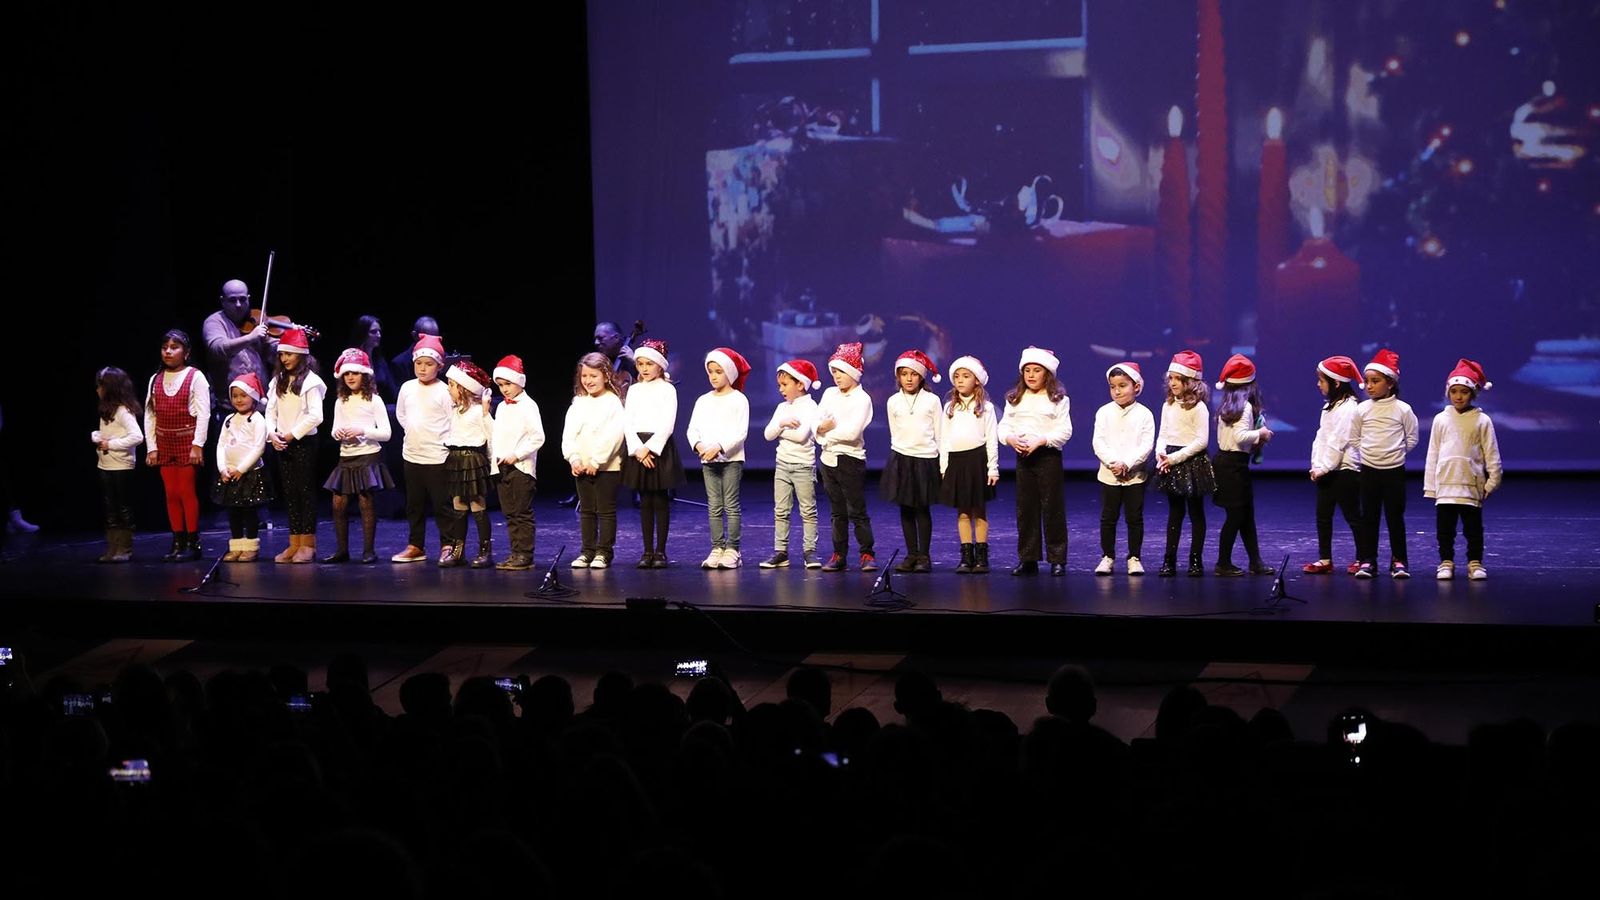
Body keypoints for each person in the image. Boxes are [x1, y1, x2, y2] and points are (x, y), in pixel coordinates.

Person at [1424, 358, 1502, 581]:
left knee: (1473, 529)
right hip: (1446, 486)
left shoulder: (1482, 420)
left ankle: (1474, 562)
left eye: (1464, 392)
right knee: (1445, 529)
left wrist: (1492, 481)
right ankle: (1446, 561)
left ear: (1473, 393)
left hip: (1470, 485)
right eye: (1454, 391)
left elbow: (1491, 453)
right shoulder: (1441, 419)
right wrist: (1431, 487)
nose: (1458, 396)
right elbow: (1433, 454)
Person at [998, 347, 1072, 577]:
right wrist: (1009, 439)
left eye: (1036, 370)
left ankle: (1057, 558)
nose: (1031, 375)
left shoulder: (1058, 399)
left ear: (1046, 373)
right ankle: (1028, 558)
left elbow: (1065, 430)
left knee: (1052, 508)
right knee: (1026, 509)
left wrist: (1042, 440)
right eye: (1027, 370)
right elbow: (1004, 426)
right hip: (1023, 458)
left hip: (1047, 457)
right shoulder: (1015, 399)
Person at [1351, 348, 1419, 579]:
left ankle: (1399, 559)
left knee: (1394, 517)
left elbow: (1411, 437)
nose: (1369, 386)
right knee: (1369, 517)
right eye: (1367, 381)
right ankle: (1368, 560)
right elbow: (1354, 437)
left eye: (1375, 381)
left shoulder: (1403, 409)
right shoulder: (1362, 409)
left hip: (1394, 471)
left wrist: (1395, 453)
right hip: (1369, 471)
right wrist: (1369, 453)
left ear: (1390, 383)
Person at [321, 348, 394, 564]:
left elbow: (386, 433)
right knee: (338, 504)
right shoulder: (340, 401)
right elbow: (334, 430)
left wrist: (362, 431)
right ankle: (342, 550)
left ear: (365, 375)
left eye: (355, 372)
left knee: (365, 502)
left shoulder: (374, 400)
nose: (351, 377)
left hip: (367, 456)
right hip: (346, 457)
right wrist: (339, 434)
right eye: (347, 373)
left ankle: (368, 551)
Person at [145, 328, 211, 562]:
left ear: (186, 352)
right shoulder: (156, 378)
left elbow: (204, 413)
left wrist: (198, 445)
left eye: (174, 347)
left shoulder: (195, 376)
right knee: (170, 494)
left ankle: (193, 542)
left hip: (186, 441)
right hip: (164, 442)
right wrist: (151, 447)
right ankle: (177, 540)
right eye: (165, 348)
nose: (168, 352)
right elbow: (150, 415)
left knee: (186, 492)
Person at [622, 339, 687, 568]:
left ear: (660, 365)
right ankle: (647, 550)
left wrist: (650, 448)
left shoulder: (667, 390)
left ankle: (660, 551)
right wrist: (637, 449)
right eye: (640, 364)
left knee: (660, 500)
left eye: (649, 363)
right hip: (638, 448)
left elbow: (667, 423)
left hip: (658, 448)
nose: (644, 368)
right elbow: (627, 421)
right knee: (645, 501)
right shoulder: (635, 390)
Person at [686, 347, 752, 569]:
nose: (713, 376)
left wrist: (719, 447)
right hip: (708, 460)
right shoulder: (703, 400)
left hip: (731, 460)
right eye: (710, 372)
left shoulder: (738, 399)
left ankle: (733, 549)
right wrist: (700, 445)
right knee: (714, 506)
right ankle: (717, 547)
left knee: (730, 505)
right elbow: (692, 429)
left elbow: (740, 432)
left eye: (718, 371)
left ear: (730, 374)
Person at [265, 329, 326, 564]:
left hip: (303, 443)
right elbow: (271, 410)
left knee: (305, 493)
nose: (285, 359)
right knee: (290, 493)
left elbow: (315, 416)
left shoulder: (311, 381)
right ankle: (294, 542)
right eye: (282, 355)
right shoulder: (278, 380)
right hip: (282, 442)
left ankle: (308, 544)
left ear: (301, 355)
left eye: (290, 354)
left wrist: (291, 435)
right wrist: (272, 433)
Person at [1210, 354, 1274, 576]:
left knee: (1246, 516)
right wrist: (1261, 433)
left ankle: (1255, 561)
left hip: (1227, 464)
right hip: (1233, 467)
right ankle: (1222, 563)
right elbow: (1240, 436)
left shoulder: (1227, 404)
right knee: (1236, 517)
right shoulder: (1245, 407)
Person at [392, 335, 453, 563]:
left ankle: (448, 544)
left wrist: (439, 441)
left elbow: (451, 421)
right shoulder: (407, 388)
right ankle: (416, 545)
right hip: (412, 455)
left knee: (442, 505)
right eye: (419, 363)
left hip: (437, 457)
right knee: (414, 505)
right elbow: (401, 415)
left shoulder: (444, 391)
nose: (423, 368)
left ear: (439, 366)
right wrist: (414, 432)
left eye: (428, 364)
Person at [882, 350, 944, 573]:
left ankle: (924, 556)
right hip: (901, 458)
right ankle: (911, 553)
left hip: (925, 458)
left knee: (922, 508)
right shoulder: (893, 402)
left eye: (914, 374)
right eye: (904, 374)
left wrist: (943, 463)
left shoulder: (932, 401)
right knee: (906, 508)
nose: (909, 379)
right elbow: (894, 431)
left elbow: (940, 432)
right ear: (898, 376)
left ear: (922, 377)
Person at [562, 352, 626, 569]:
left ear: (606, 376)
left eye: (593, 376)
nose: (588, 381)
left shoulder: (612, 403)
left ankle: (603, 552)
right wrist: (574, 459)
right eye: (584, 376)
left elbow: (614, 436)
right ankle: (587, 551)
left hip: (606, 467)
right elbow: (569, 435)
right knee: (587, 510)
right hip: (581, 466)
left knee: (605, 510)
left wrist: (596, 461)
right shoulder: (578, 403)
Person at [816, 342, 876, 572]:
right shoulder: (829, 394)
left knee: (856, 510)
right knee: (836, 511)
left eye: (840, 372)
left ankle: (867, 553)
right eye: (834, 372)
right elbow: (815, 423)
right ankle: (839, 554)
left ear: (853, 373)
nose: (836, 377)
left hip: (850, 459)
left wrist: (825, 431)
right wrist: (821, 430)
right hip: (828, 459)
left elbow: (851, 433)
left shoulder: (862, 399)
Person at [1091, 362, 1154, 576]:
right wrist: (1113, 463)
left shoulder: (1144, 414)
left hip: (1134, 476)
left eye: (1122, 385)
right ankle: (1107, 556)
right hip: (1109, 475)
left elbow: (1146, 445)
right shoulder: (1103, 412)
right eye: (1112, 386)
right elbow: (1098, 442)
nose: (1117, 391)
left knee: (1134, 517)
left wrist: (1127, 463)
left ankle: (1134, 557)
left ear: (1136, 387)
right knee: (1108, 517)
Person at [1154, 350, 1213, 577]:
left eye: (1178, 379)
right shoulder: (1168, 405)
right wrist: (1161, 454)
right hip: (1170, 461)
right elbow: (1163, 434)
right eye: (1171, 378)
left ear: (1190, 382)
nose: (1173, 383)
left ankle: (1195, 560)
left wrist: (1174, 458)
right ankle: (1169, 560)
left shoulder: (1199, 408)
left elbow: (1201, 441)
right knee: (1174, 513)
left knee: (1196, 513)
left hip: (1191, 462)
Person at [1304, 356, 1363, 575]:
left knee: (1353, 516)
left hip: (1345, 470)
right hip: (1326, 469)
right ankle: (1325, 558)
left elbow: (1339, 440)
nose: (1318, 384)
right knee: (1323, 515)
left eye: (1322, 380)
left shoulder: (1349, 408)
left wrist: (1325, 466)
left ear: (1336, 383)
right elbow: (1321, 437)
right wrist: (1316, 464)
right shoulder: (1329, 407)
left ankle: (1363, 558)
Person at [939, 356, 998, 575]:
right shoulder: (949, 408)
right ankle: (966, 555)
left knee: (979, 510)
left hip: (977, 461)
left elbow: (991, 438)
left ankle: (982, 556)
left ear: (977, 380)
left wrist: (993, 467)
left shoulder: (986, 407)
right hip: (956, 461)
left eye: (966, 376)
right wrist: (944, 466)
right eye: (957, 376)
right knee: (963, 511)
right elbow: (944, 439)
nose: (960, 380)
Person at [761, 358, 822, 569]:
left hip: (803, 466)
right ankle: (781, 551)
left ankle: (809, 552)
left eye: (785, 385)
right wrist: (782, 423)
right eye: (779, 385)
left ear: (801, 384)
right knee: (781, 510)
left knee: (807, 510)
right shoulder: (781, 408)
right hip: (782, 465)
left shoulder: (811, 406)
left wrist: (781, 431)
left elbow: (801, 436)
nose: (781, 389)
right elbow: (768, 434)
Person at [490, 356, 544, 571]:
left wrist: (517, 455)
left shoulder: (528, 406)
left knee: (522, 512)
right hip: (503, 467)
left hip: (521, 468)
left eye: (508, 384)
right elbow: (497, 436)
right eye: (500, 385)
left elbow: (538, 437)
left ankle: (525, 554)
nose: (504, 389)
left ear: (519, 382)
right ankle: (516, 553)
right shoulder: (502, 407)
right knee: (510, 514)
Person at [441, 361, 495, 568]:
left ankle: (485, 550)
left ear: (463, 388)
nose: (448, 388)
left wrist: (485, 412)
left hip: (472, 460)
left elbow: (491, 434)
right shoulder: (455, 411)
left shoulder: (477, 412)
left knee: (477, 505)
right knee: (458, 505)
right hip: (456, 459)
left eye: (452, 385)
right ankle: (458, 550)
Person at [212, 373, 271, 562]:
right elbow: (221, 445)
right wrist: (223, 468)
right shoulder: (229, 419)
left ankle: (251, 547)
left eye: (243, 395)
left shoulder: (257, 420)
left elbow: (258, 447)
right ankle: (236, 546)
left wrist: (242, 468)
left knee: (249, 512)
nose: (239, 399)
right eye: (235, 395)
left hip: (249, 474)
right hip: (230, 474)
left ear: (253, 397)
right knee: (233, 512)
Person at [91, 367, 143, 562]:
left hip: (121, 466)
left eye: (100, 385)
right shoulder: (106, 410)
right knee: (110, 508)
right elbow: (107, 432)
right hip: (105, 465)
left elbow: (137, 437)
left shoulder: (123, 411)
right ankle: (112, 548)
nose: (97, 389)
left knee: (122, 508)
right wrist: (97, 437)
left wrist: (111, 444)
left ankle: (124, 549)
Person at [202, 279, 276, 411]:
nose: (238, 304)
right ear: (222, 300)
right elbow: (217, 348)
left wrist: (287, 342)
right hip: (227, 405)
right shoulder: (214, 321)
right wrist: (250, 337)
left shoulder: (257, 320)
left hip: (260, 404)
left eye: (242, 299)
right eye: (232, 300)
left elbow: (273, 356)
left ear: (248, 299)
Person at [349, 315, 398, 402]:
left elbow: (393, 391)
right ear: (362, 334)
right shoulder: (351, 360)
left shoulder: (379, 360)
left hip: (379, 406)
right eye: (373, 332)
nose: (379, 335)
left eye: (379, 331)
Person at [388, 316, 441, 394]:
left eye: (434, 338)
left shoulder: (444, 359)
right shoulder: (399, 363)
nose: (430, 342)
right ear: (414, 335)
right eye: (426, 337)